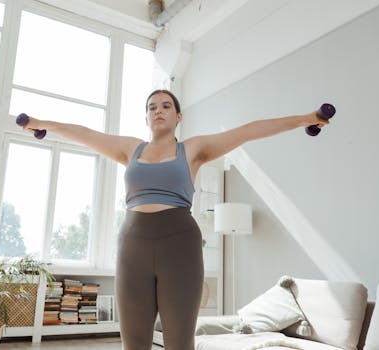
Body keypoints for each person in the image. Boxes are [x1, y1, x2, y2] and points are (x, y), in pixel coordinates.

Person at [20, 89, 330, 350]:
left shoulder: (192, 149)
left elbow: (247, 131)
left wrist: (307, 119)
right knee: (134, 343)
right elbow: (85, 134)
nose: (158, 111)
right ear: (146, 118)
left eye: (166, 106)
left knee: (180, 343)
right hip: (133, 246)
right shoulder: (131, 149)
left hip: (179, 245)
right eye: (152, 107)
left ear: (178, 116)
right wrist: (42, 124)